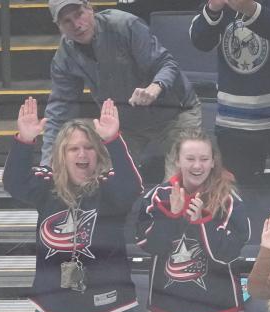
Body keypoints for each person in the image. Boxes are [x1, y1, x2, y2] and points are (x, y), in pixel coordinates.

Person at [3, 97, 141, 312]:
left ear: (98, 154)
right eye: (73, 149)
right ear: (61, 155)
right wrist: (24, 141)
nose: (82, 154)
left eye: (89, 147)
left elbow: (132, 187)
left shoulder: (109, 186)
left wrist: (113, 139)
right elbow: (14, 183)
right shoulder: (48, 184)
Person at [42, 0, 202, 181]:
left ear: (90, 9)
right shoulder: (64, 57)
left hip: (175, 114)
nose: (77, 25)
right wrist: (47, 163)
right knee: (108, 185)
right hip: (127, 124)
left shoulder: (125, 25)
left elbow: (167, 64)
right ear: (59, 27)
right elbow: (59, 111)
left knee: (174, 190)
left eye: (79, 14)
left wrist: (155, 87)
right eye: (67, 21)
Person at [134, 130, 252, 312]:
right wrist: (171, 217)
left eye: (204, 159)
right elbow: (150, 246)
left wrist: (200, 222)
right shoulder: (158, 197)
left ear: (213, 162)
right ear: (177, 160)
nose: (197, 166)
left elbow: (225, 253)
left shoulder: (229, 201)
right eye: (190, 159)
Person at [190, 0, 270, 186]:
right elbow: (200, 40)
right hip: (235, 120)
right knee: (236, 196)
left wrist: (248, 8)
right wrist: (214, 8)